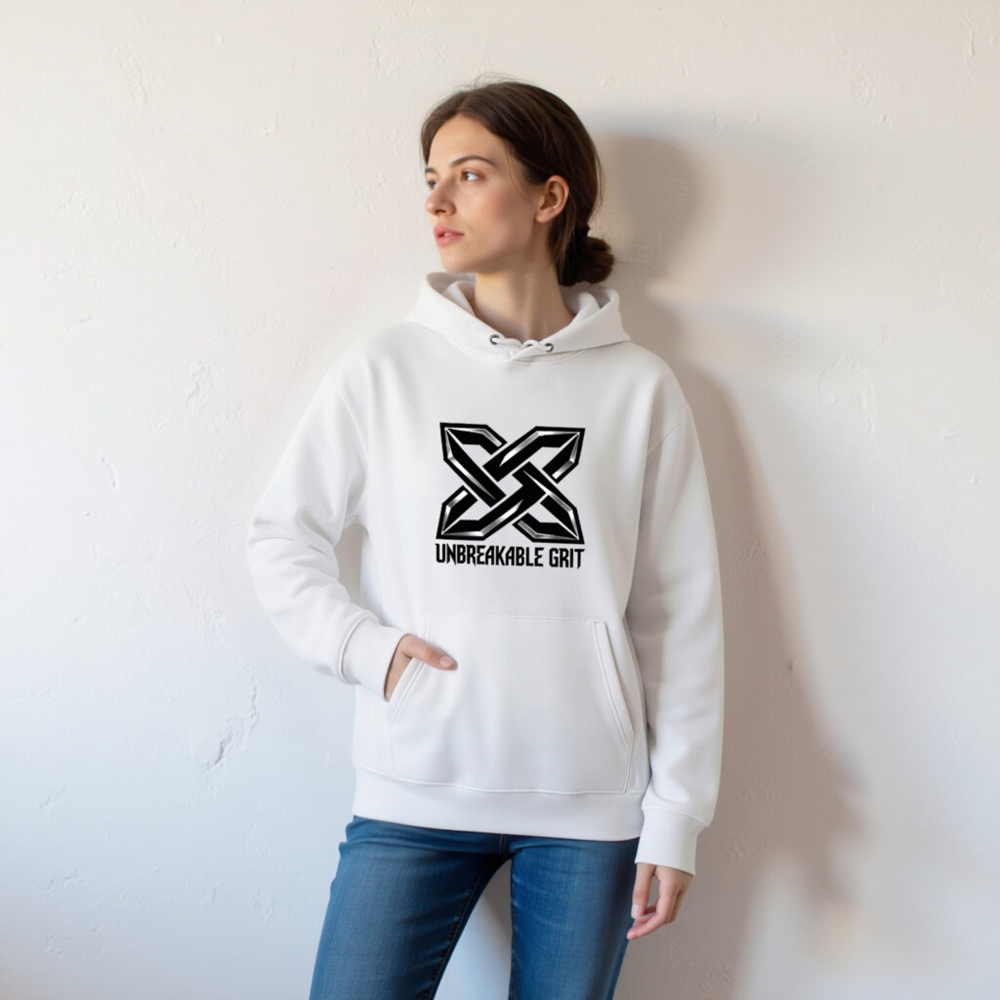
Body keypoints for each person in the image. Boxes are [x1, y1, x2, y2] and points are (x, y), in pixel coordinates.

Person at [245, 75, 725, 1000]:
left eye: (469, 175)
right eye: (431, 179)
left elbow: (682, 615)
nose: (437, 201)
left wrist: (678, 818)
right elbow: (280, 536)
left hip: (589, 809)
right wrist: (365, 649)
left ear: (550, 197)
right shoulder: (384, 370)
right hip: (413, 789)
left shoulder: (639, 389)